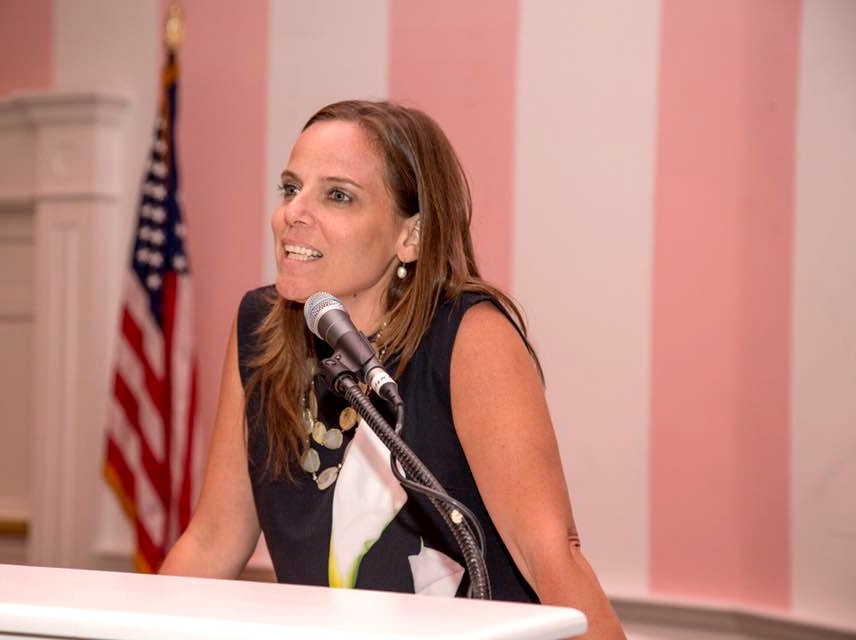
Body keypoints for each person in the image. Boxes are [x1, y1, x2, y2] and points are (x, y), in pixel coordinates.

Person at [160, 100, 625, 638]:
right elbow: (215, 538)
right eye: (291, 188)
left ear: (411, 236)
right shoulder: (260, 328)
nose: (293, 212)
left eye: (337, 195)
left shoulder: (469, 337)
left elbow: (550, 556)